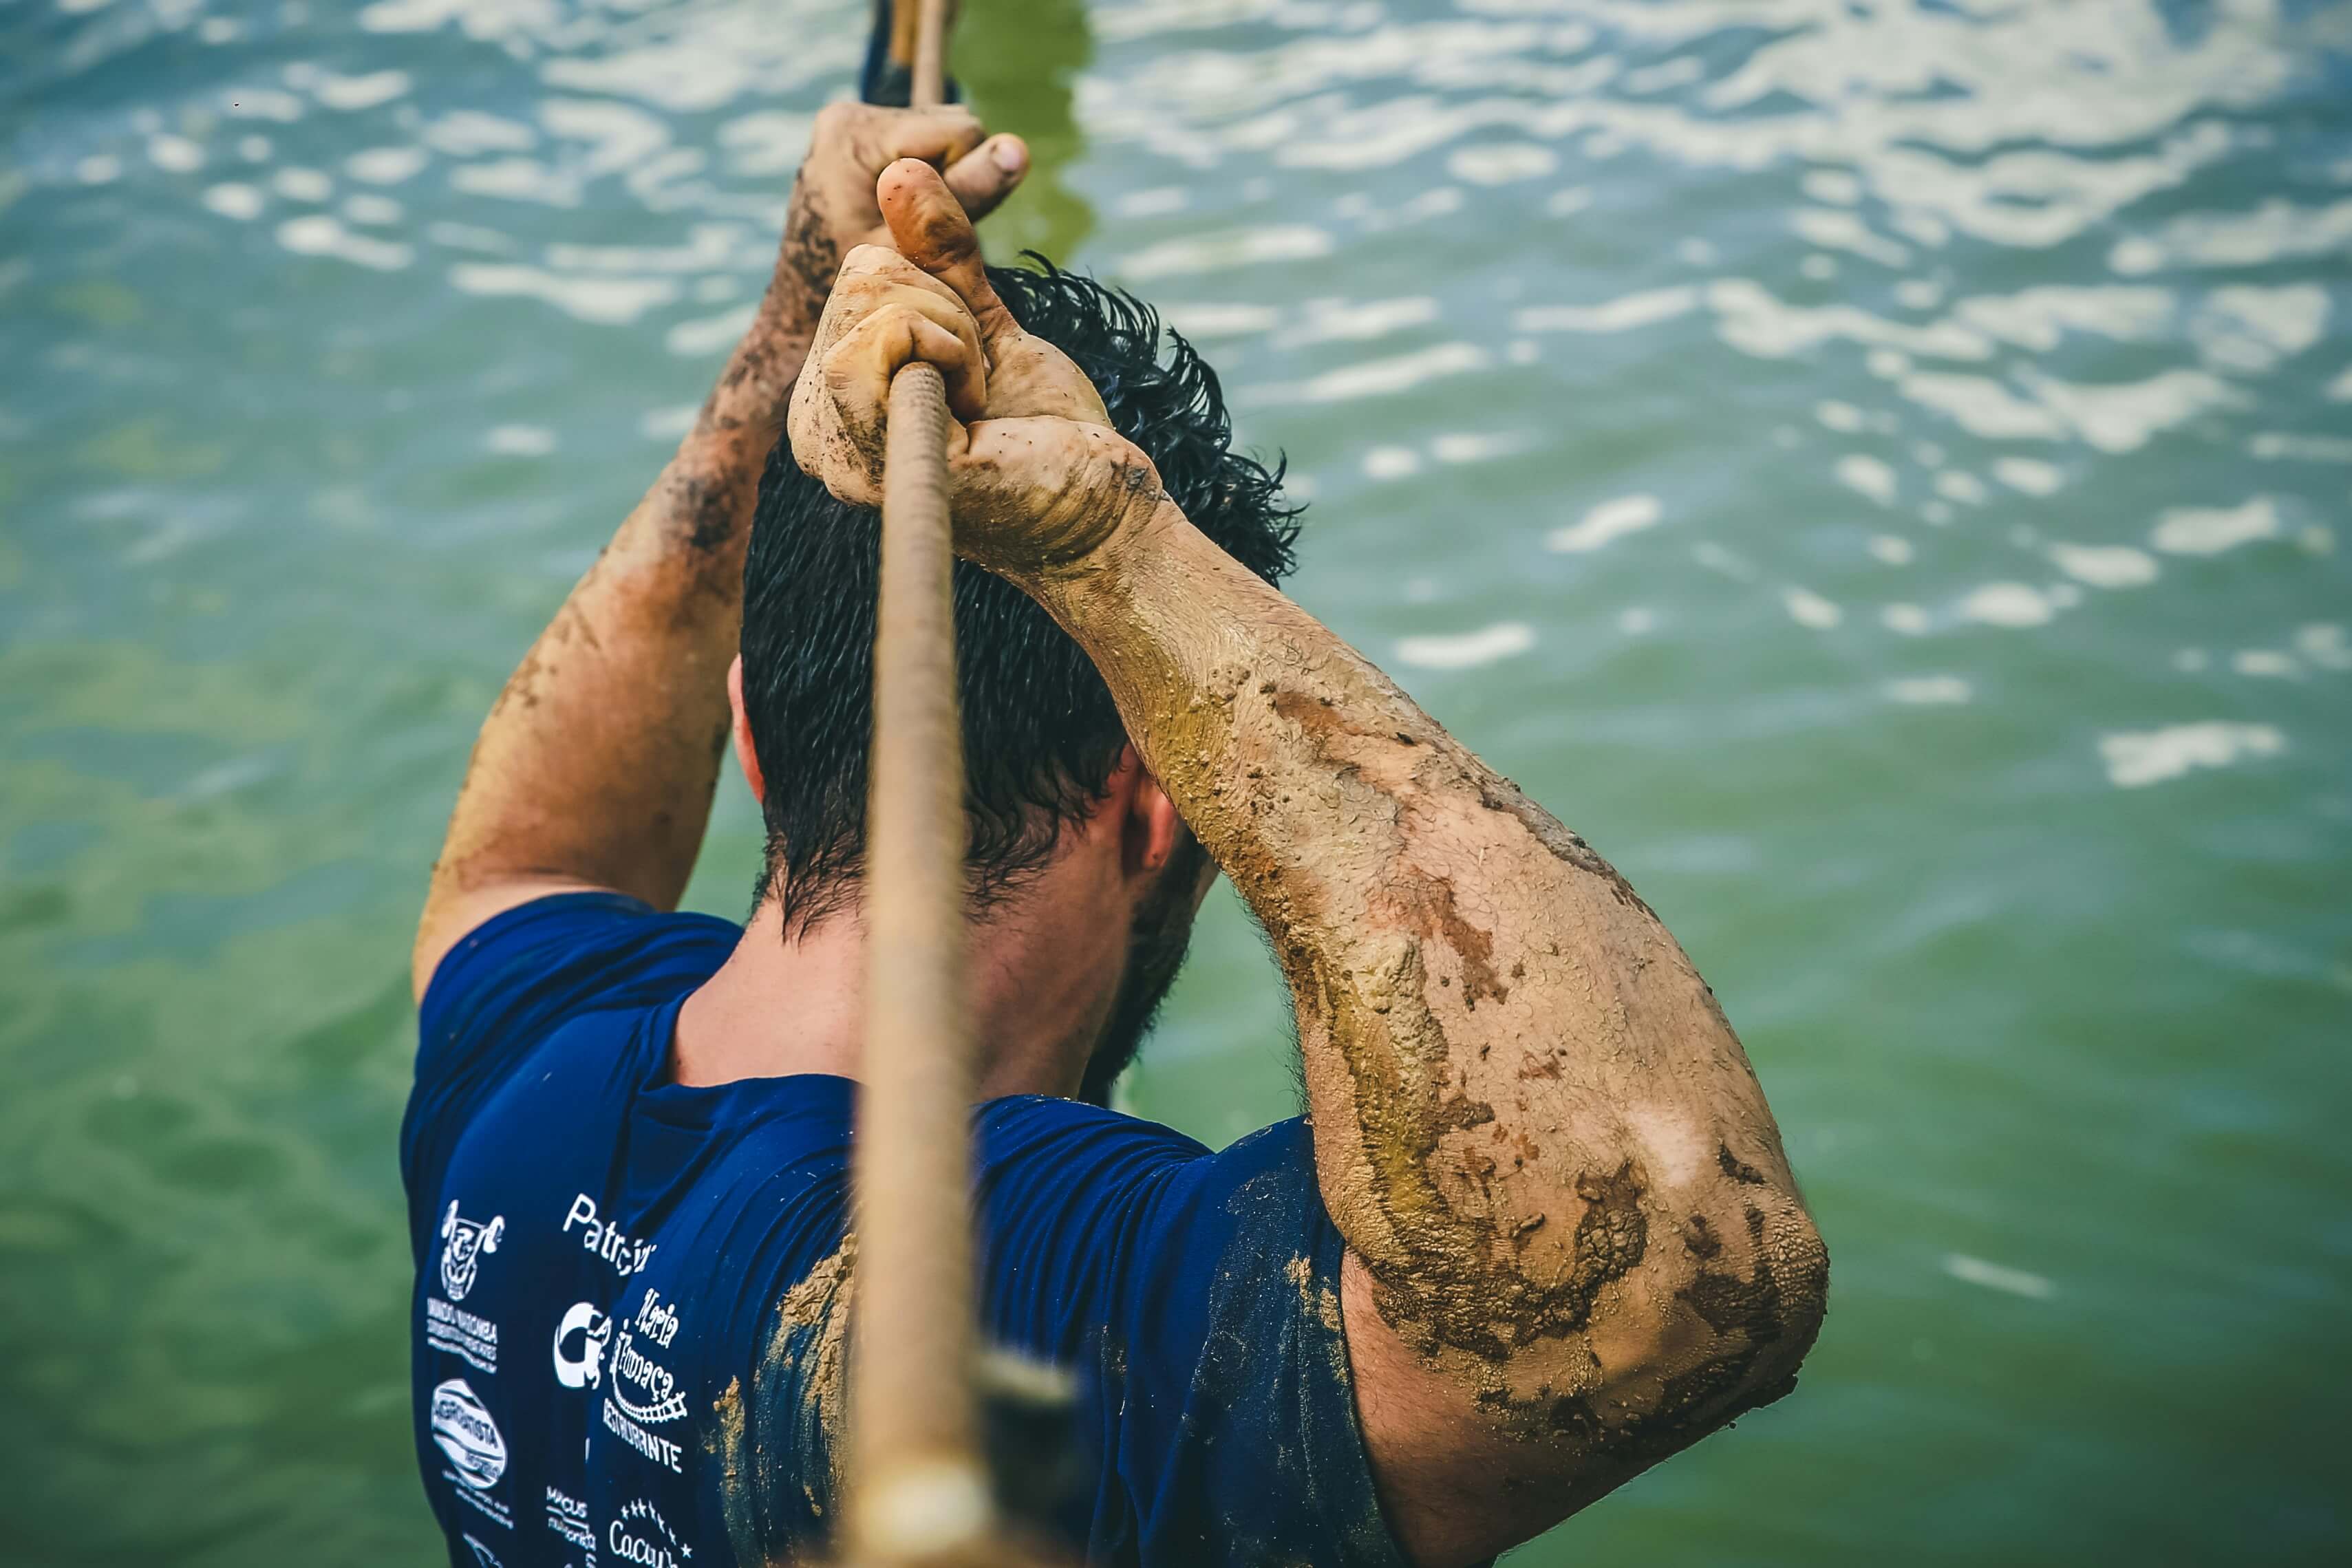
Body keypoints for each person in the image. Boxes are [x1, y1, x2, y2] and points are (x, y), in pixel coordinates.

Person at [404, 101, 1826, 1568]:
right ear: (1171, 807)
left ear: (751, 740)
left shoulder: (531, 1062)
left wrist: (796, 314)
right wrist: (1117, 554)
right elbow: (1661, 1275)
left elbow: (527, 853)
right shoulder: (1021, 1305)